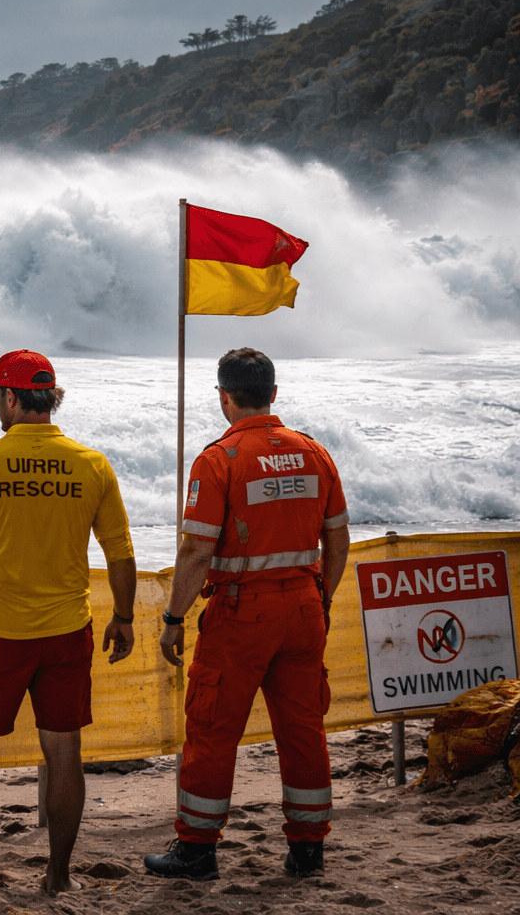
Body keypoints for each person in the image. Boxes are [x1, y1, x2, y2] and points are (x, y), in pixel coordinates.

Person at [0, 349, 138, 894]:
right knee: (64, 751)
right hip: (68, 631)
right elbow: (120, 553)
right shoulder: (91, 462)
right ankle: (59, 877)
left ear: (12, 399)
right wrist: (124, 617)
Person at [144, 347, 349, 881]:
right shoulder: (314, 453)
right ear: (274, 395)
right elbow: (338, 537)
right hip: (305, 606)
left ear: (224, 398)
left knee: (212, 728)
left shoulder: (219, 460)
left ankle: (196, 850)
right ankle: (308, 850)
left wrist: (174, 618)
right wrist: (322, 598)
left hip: (241, 615)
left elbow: (195, 552)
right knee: (304, 729)